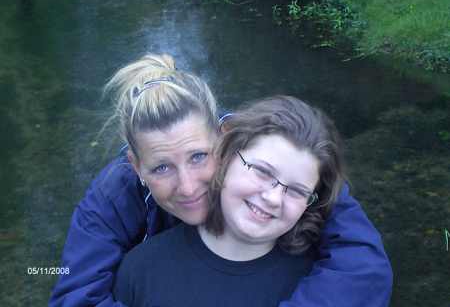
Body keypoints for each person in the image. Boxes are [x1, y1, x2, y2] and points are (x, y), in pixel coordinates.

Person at [49, 54, 392, 307]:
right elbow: (75, 294)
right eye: (161, 169)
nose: (188, 186)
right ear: (135, 166)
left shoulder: (283, 163)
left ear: (224, 139)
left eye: (199, 157)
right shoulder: (112, 197)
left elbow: (363, 266)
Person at [113, 95, 344, 307]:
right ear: (227, 155)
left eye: (296, 191)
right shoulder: (141, 270)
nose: (273, 198)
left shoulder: (319, 282)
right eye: (262, 171)